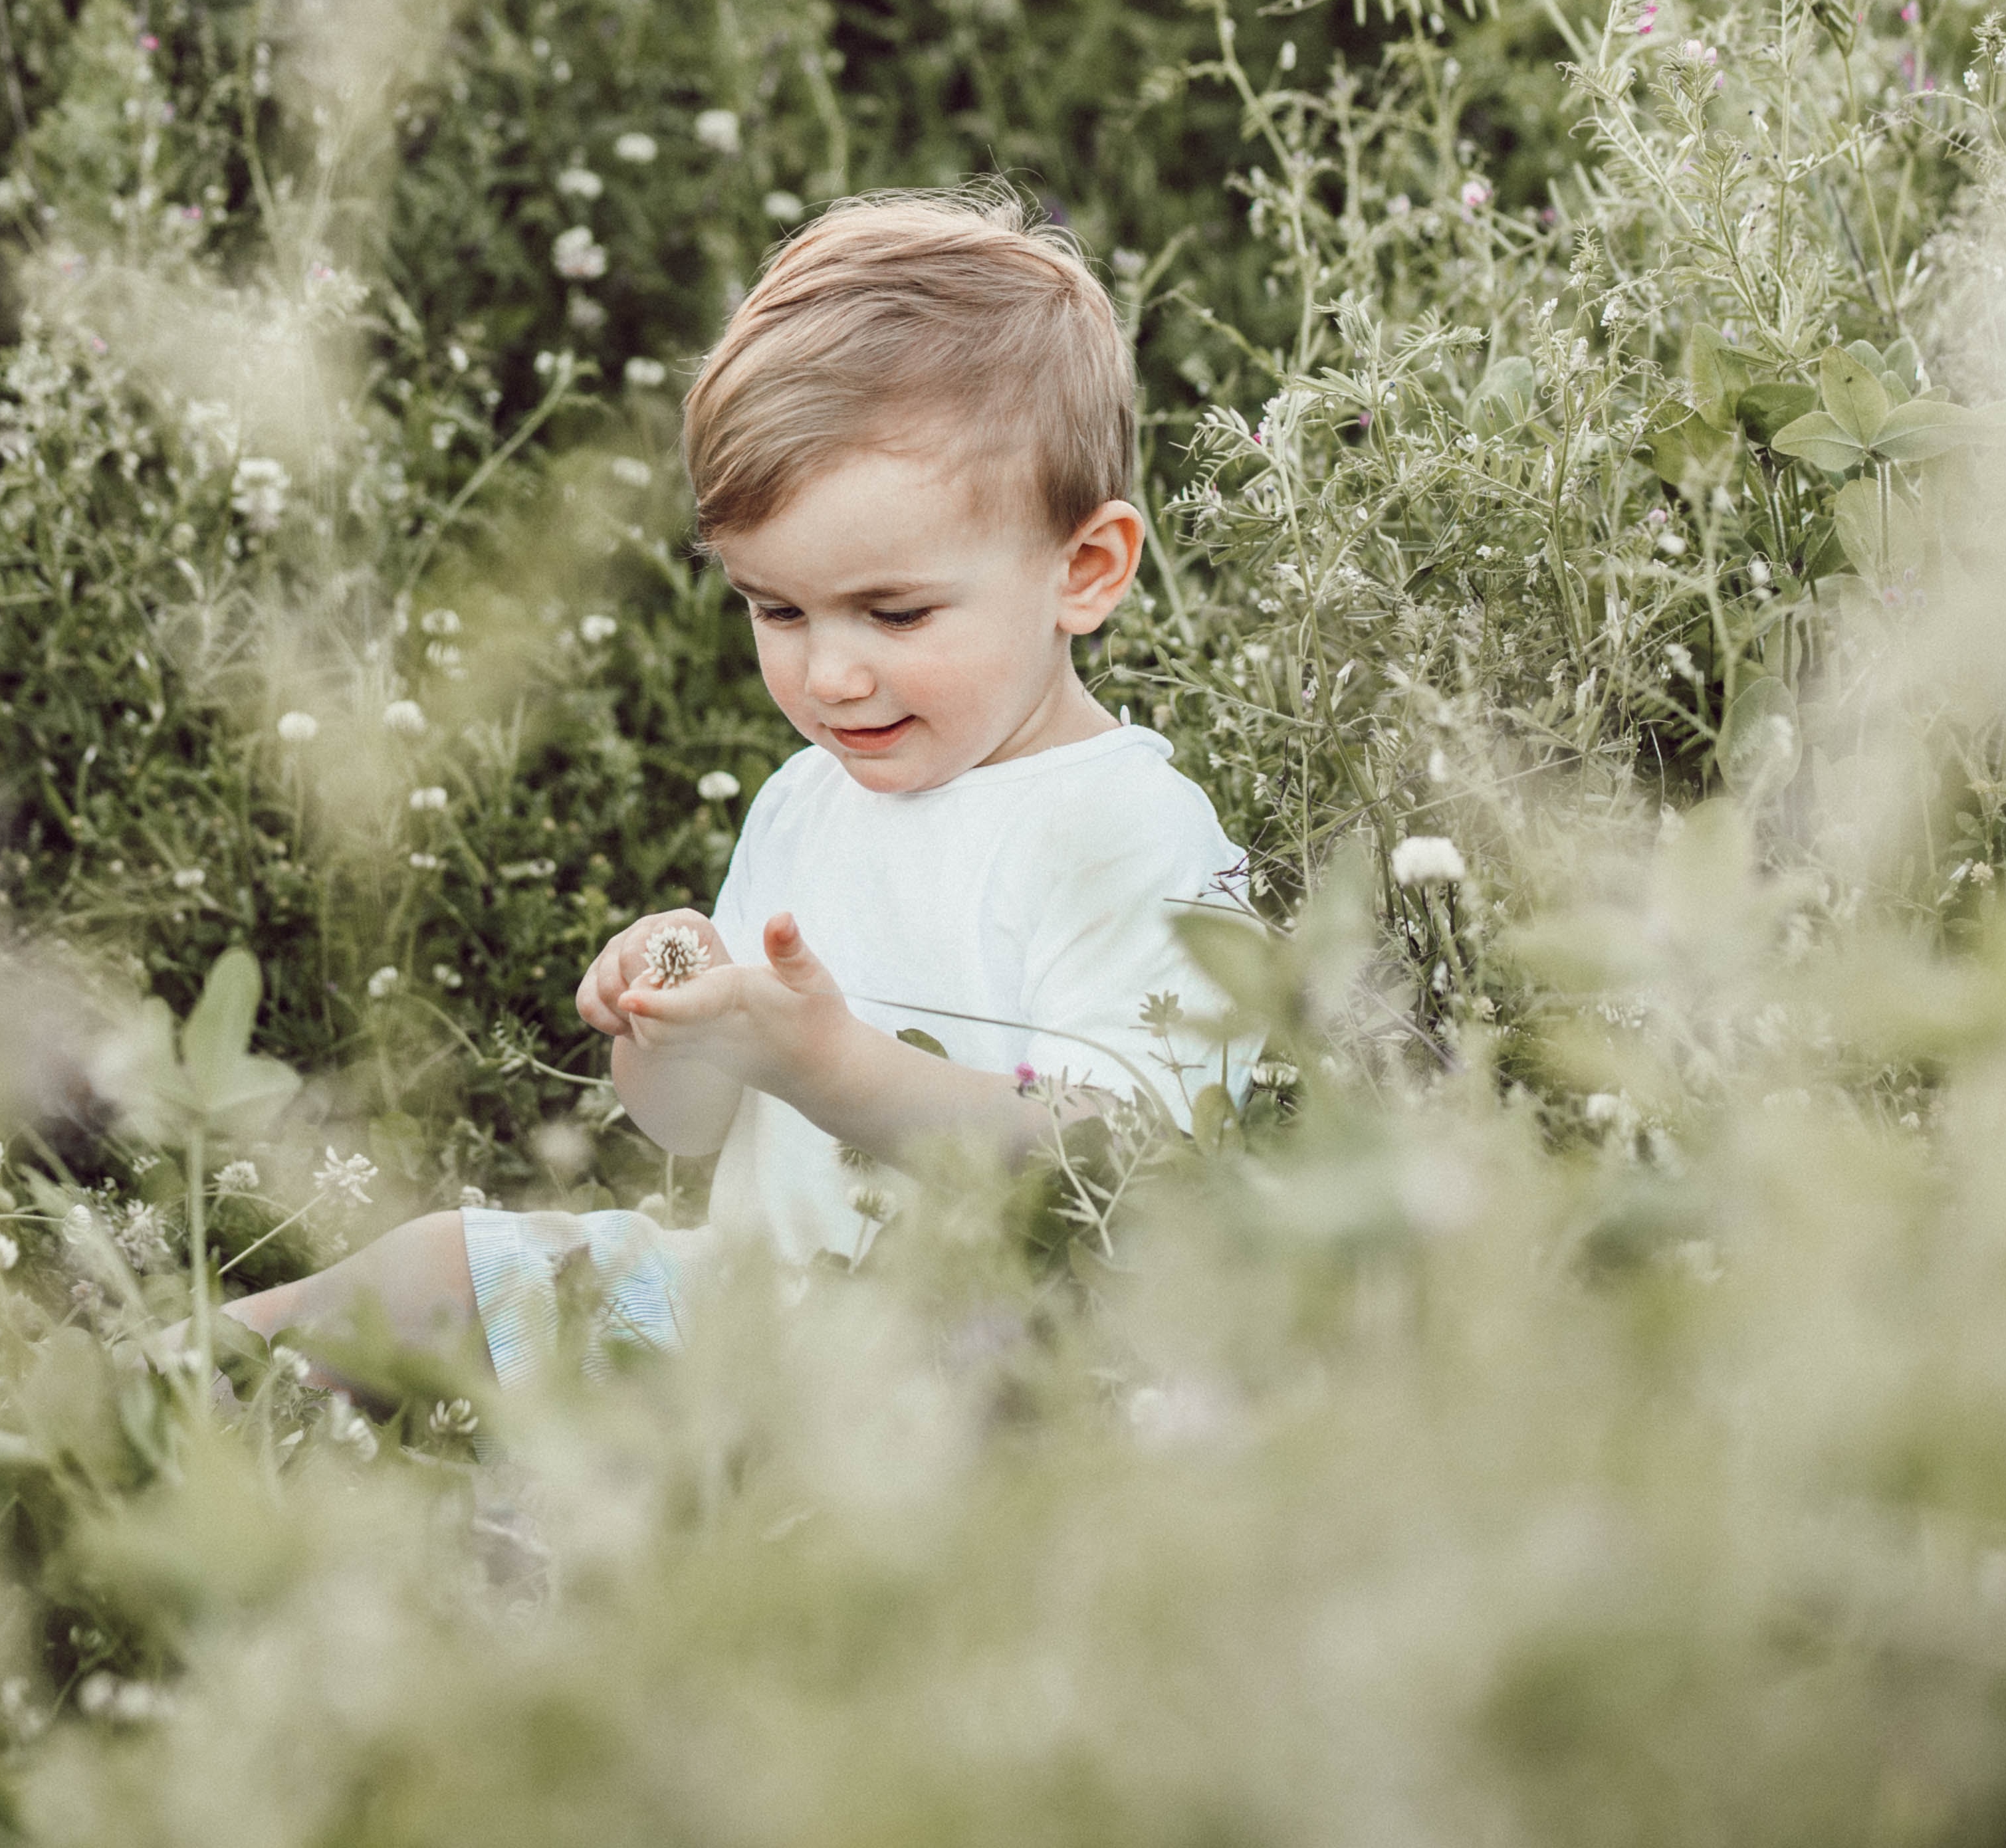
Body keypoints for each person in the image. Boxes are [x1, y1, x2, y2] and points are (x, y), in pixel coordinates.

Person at [232, 187, 1255, 1386]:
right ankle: (109, 1402)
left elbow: (1131, 1165)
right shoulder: (809, 800)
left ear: (1086, 569)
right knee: (432, 1270)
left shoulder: (1122, 830)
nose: (831, 674)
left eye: (897, 611)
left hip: (993, 1361)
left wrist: (828, 1065)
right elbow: (689, 1131)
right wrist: (672, 1029)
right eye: (777, 609)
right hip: (756, 1311)